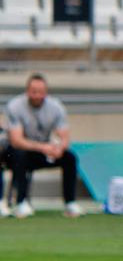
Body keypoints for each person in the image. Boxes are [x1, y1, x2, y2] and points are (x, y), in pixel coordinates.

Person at [2, 74, 84, 219]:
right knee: (19, 155)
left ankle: (70, 203)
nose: (37, 95)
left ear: (46, 92)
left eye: (41, 92)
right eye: (34, 91)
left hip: (41, 152)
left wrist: (59, 148)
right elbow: (17, 141)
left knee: (69, 157)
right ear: (27, 91)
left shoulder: (56, 107)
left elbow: (64, 136)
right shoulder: (15, 106)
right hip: (16, 153)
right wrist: (43, 147)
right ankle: (21, 202)